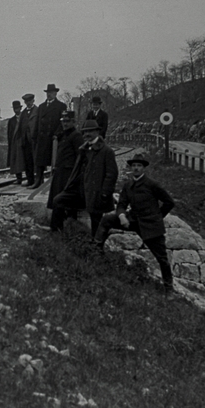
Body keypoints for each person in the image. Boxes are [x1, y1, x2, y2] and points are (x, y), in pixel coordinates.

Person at [97, 152, 178, 290]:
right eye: (133, 165)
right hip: (133, 220)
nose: (136, 168)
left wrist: (157, 217)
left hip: (150, 225)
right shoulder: (128, 185)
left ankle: (168, 288)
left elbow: (169, 202)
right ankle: (96, 252)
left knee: (162, 258)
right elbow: (121, 204)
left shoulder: (152, 184)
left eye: (139, 166)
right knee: (107, 219)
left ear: (143, 168)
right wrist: (122, 216)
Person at [54, 120, 118, 243]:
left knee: (96, 222)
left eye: (90, 131)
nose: (86, 134)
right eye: (84, 132)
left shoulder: (106, 151)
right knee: (58, 200)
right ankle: (59, 232)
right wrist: (70, 186)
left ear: (97, 132)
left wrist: (105, 193)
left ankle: (97, 247)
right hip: (80, 191)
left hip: (96, 193)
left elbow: (112, 174)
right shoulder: (83, 149)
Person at [46, 111, 86, 233]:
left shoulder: (76, 136)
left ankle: (64, 227)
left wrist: (75, 176)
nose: (65, 124)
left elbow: (80, 157)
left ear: (73, 122)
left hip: (69, 174)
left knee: (65, 201)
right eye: (63, 121)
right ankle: (57, 227)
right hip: (60, 173)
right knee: (57, 200)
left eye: (67, 121)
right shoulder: (63, 135)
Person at [32, 84, 66, 187]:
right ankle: (38, 180)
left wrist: (57, 134)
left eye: (51, 93)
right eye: (48, 93)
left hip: (53, 137)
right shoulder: (41, 106)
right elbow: (38, 122)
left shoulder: (61, 106)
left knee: (55, 161)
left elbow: (63, 122)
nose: (49, 95)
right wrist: (35, 135)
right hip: (42, 137)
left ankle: (55, 182)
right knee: (39, 160)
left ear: (55, 93)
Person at [18, 93, 38, 185]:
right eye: (26, 101)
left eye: (30, 101)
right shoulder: (23, 113)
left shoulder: (37, 111)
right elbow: (20, 126)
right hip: (25, 141)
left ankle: (38, 180)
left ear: (33, 101)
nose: (28, 103)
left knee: (37, 161)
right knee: (27, 161)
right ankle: (30, 180)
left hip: (35, 140)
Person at [7, 99, 26, 184]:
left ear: (20, 108)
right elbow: (9, 133)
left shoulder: (25, 118)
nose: (16, 110)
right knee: (16, 161)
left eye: (17, 108)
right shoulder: (11, 120)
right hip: (15, 143)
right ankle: (19, 178)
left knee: (25, 160)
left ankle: (29, 178)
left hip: (23, 141)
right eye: (15, 108)